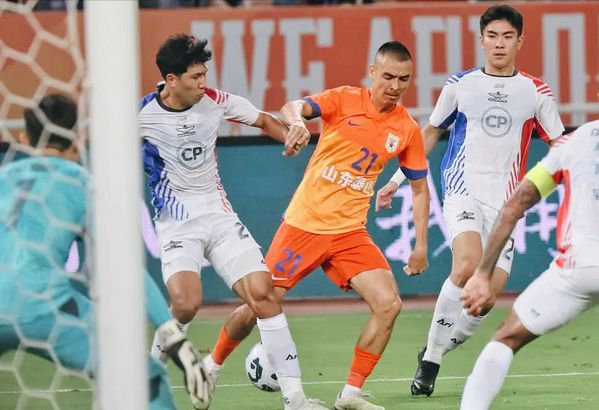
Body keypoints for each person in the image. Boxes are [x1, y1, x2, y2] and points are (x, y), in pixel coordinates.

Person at [203, 40, 430, 410]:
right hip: (304, 225)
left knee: (389, 304)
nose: (395, 85)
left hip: (350, 232)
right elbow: (294, 106)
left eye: (403, 79)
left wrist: (420, 245)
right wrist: (296, 123)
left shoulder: (406, 128)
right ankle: (211, 366)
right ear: (373, 72)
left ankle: (350, 394)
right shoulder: (344, 100)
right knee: (260, 304)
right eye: (388, 76)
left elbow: (419, 188)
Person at [375, 4, 564, 396]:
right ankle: (432, 362)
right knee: (464, 267)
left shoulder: (537, 92)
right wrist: (396, 179)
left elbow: (560, 146)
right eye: (492, 36)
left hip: (507, 203)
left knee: (485, 299)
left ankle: (435, 346)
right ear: (481, 40)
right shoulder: (461, 85)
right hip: (462, 189)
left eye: (507, 36)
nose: (499, 44)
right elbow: (429, 133)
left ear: (519, 42)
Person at [140, 34, 326, 410]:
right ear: (171, 80)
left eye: (204, 74)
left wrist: (290, 137)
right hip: (177, 224)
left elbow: (264, 120)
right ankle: (146, 378)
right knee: (185, 304)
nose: (203, 82)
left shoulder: (216, 101)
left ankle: (296, 399)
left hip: (219, 216)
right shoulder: (143, 116)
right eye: (195, 76)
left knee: (264, 295)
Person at [460, 61, 599, 410]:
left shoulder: (572, 142)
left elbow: (514, 206)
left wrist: (482, 274)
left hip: (578, 269)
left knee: (506, 337)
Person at [0, 94, 210, 409]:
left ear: (24, 139)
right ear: (77, 138)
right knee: (146, 377)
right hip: (42, 305)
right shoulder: (82, 183)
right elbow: (123, 266)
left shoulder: (4, 178)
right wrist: (172, 335)